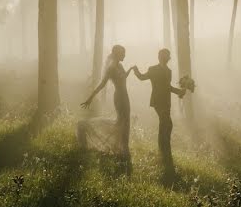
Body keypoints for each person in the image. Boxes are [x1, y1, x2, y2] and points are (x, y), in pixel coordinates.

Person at [132, 48, 186, 182]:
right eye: (164, 55)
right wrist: (135, 70)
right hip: (157, 101)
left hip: (166, 102)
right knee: (166, 123)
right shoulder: (153, 69)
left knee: (166, 125)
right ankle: (164, 150)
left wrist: (179, 92)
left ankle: (163, 150)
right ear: (160, 57)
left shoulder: (169, 71)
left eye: (167, 56)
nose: (166, 58)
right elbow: (142, 77)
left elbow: (167, 87)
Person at [79, 44, 133, 173]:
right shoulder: (111, 68)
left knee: (124, 123)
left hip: (125, 97)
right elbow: (102, 84)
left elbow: (123, 77)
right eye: (123, 53)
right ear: (117, 53)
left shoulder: (119, 65)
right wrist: (90, 98)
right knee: (121, 122)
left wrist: (131, 69)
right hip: (119, 98)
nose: (125, 55)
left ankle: (122, 149)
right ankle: (123, 150)